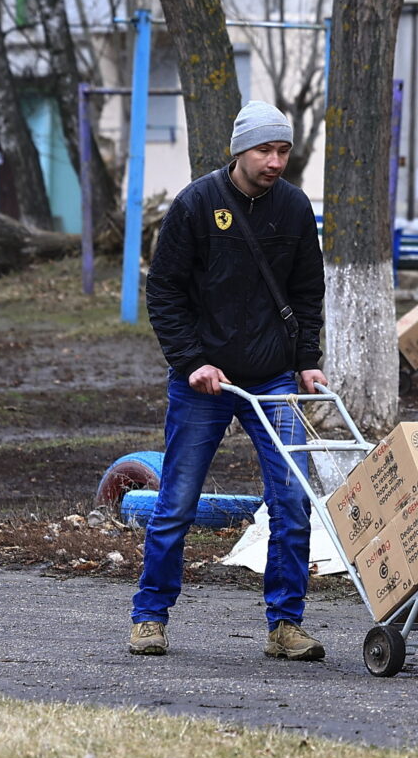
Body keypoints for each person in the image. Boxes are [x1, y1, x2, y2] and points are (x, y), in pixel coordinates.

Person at [131, 100, 328, 660]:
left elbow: (306, 292)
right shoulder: (196, 204)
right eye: (265, 150)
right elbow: (164, 291)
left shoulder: (293, 207)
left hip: (272, 379)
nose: (275, 161)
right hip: (203, 382)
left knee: (292, 501)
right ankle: (149, 617)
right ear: (239, 150)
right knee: (177, 502)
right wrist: (192, 360)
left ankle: (285, 624)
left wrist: (306, 359)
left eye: (283, 150)